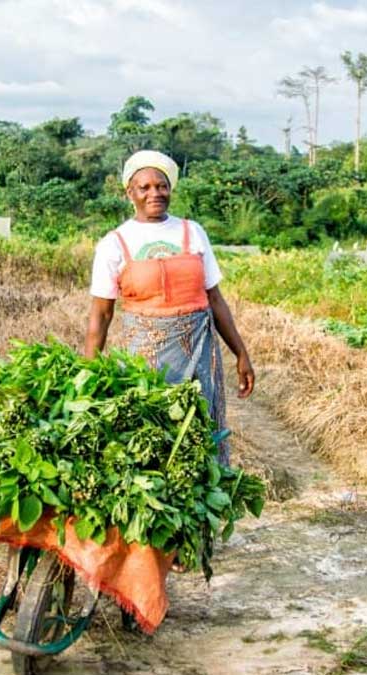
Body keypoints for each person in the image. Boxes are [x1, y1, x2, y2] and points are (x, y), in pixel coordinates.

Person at [84, 150, 254, 466]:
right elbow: (101, 314)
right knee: (152, 438)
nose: (155, 193)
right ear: (130, 193)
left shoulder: (193, 232)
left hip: (200, 353)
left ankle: (209, 497)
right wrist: (88, 373)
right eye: (145, 187)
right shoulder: (114, 243)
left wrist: (241, 354)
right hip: (146, 364)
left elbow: (215, 299)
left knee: (202, 433)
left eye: (161, 186)